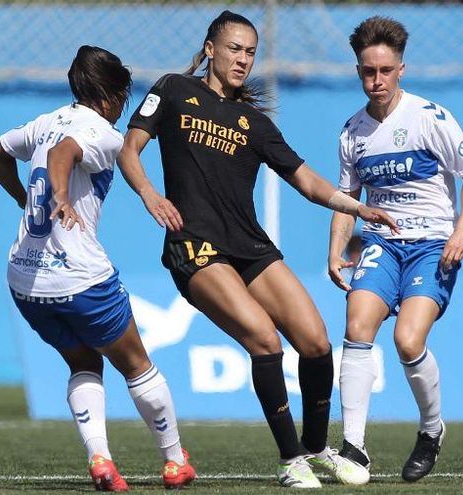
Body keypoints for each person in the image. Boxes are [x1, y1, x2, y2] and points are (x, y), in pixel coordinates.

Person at [117, 10, 399, 489]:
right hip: (195, 245)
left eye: (250, 51)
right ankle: (291, 461)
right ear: (210, 48)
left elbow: (306, 180)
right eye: (234, 48)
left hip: (249, 245)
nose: (242, 59)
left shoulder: (252, 119)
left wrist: (356, 206)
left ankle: (316, 449)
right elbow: (129, 150)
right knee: (265, 340)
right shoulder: (172, 89)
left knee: (315, 341)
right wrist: (150, 194)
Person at [0, 45, 196, 491]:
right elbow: (65, 153)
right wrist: (59, 194)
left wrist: (26, 200)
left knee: (83, 364)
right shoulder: (102, 131)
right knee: (137, 365)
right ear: (110, 94)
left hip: (26, 279)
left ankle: (100, 459)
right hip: (80, 277)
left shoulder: (46, 121)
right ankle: (175, 461)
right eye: (123, 96)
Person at [327, 17, 463, 484]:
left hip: (432, 246)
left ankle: (431, 431)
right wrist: (336, 251)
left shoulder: (429, 118)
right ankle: (354, 447)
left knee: (407, 341)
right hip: (381, 243)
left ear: (401, 69)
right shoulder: (352, 133)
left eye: (384, 71)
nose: (375, 81)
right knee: (358, 323)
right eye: (366, 72)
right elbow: (345, 198)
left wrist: (462, 232)